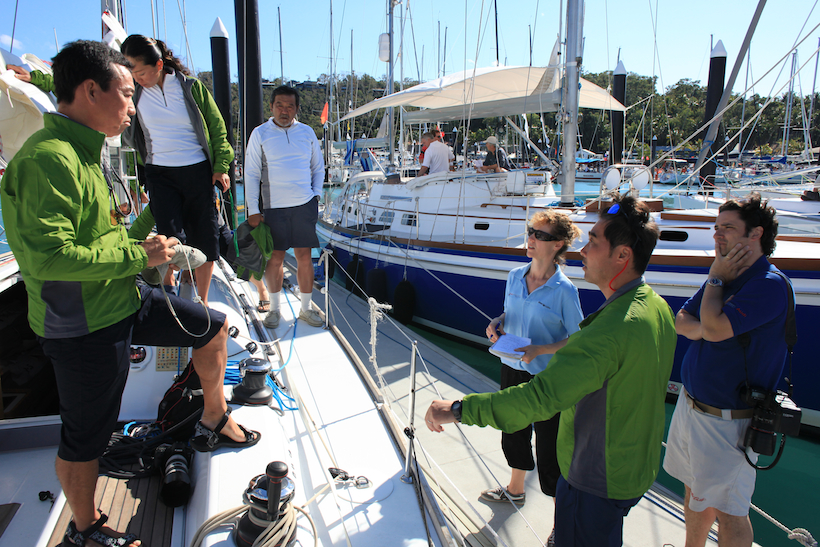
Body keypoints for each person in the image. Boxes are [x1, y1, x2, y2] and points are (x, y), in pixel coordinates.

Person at [0, 40, 259, 547]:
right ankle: (85, 529)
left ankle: (213, 418)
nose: (133, 106)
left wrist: (152, 229)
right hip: (82, 326)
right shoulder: (47, 160)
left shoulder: (85, 152)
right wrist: (140, 257)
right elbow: (49, 259)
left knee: (212, 327)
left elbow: (99, 236)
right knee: (86, 437)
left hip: (121, 300)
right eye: (125, 93)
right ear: (90, 91)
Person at [426, 195, 677, 547]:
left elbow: (539, 399)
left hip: (595, 479)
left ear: (623, 256)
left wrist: (457, 409)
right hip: (633, 470)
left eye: (594, 242)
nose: (583, 250)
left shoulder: (608, 332)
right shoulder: (656, 306)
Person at [663, 193, 791, 547]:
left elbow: (716, 328)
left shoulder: (766, 284)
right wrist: (711, 322)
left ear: (756, 234)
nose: (717, 234)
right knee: (695, 492)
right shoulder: (726, 274)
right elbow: (682, 321)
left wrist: (715, 288)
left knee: (730, 510)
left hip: (728, 421)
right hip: (693, 407)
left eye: (728, 228)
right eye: (716, 227)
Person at [120, 34, 234, 307]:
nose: (138, 79)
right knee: (168, 239)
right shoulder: (133, 92)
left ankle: (202, 302)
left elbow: (217, 127)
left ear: (159, 65)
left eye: (142, 73)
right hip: (159, 173)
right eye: (133, 73)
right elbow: (89, 88)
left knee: (205, 238)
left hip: (197, 171)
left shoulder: (190, 88)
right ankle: (170, 298)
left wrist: (221, 167)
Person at [481, 211, 583, 509]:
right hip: (511, 366)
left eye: (540, 235)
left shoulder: (565, 290)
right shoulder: (514, 276)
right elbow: (510, 312)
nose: (531, 239)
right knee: (513, 432)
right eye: (530, 232)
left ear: (558, 244)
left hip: (546, 378)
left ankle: (560, 519)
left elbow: (579, 338)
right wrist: (498, 321)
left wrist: (540, 350)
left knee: (549, 446)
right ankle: (515, 490)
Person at [244, 85, 325, 329]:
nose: (284, 110)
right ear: (271, 107)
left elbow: (318, 167)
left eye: (290, 106)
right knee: (274, 258)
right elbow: (251, 173)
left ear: (297, 109)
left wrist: (316, 196)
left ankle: (306, 309)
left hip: (304, 205)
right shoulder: (260, 133)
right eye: (279, 105)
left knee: (304, 257)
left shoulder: (307, 132)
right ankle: (274, 310)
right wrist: (252, 209)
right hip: (273, 208)